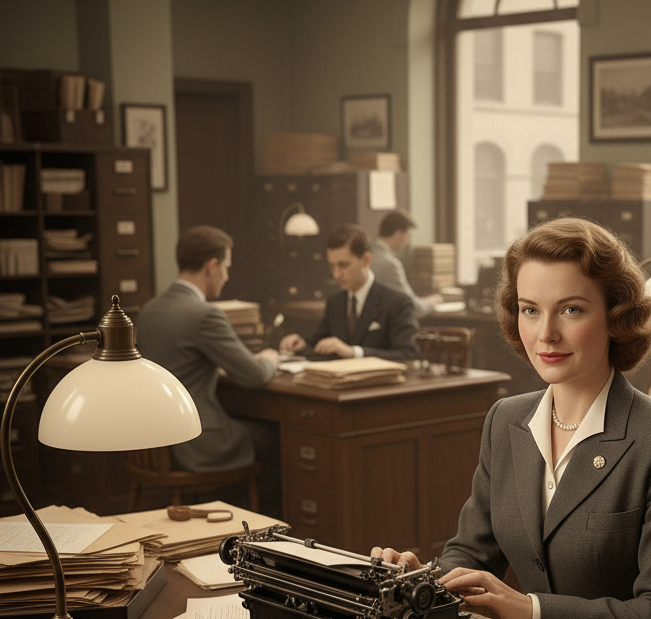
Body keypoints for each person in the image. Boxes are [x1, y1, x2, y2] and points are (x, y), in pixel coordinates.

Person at [373, 216, 651, 619]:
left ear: (616, 316)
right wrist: (428, 581)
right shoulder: (506, 420)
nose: (545, 333)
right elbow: (472, 552)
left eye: (571, 309)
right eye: (530, 309)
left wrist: (530, 612)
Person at [134, 225, 281, 511]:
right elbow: (253, 375)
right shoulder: (204, 315)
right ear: (212, 266)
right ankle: (260, 534)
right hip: (198, 442)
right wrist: (270, 358)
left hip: (156, 444)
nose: (227, 276)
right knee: (277, 439)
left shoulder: (150, 309)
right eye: (226, 267)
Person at [279, 224, 418, 361]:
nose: (336, 274)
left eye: (343, 265)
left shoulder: (397, 303)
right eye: (332, 266)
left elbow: (408, 354)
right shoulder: (335, 301)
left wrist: (354, 352)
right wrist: (301, 344)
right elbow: (320, 341)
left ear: (366, 260)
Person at [371, 209, 441, 317]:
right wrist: (433, 301)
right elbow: (412, 307)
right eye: (408, 234)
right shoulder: (389, 264)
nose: (407, 240)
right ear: (399, 233)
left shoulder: (369, 255)